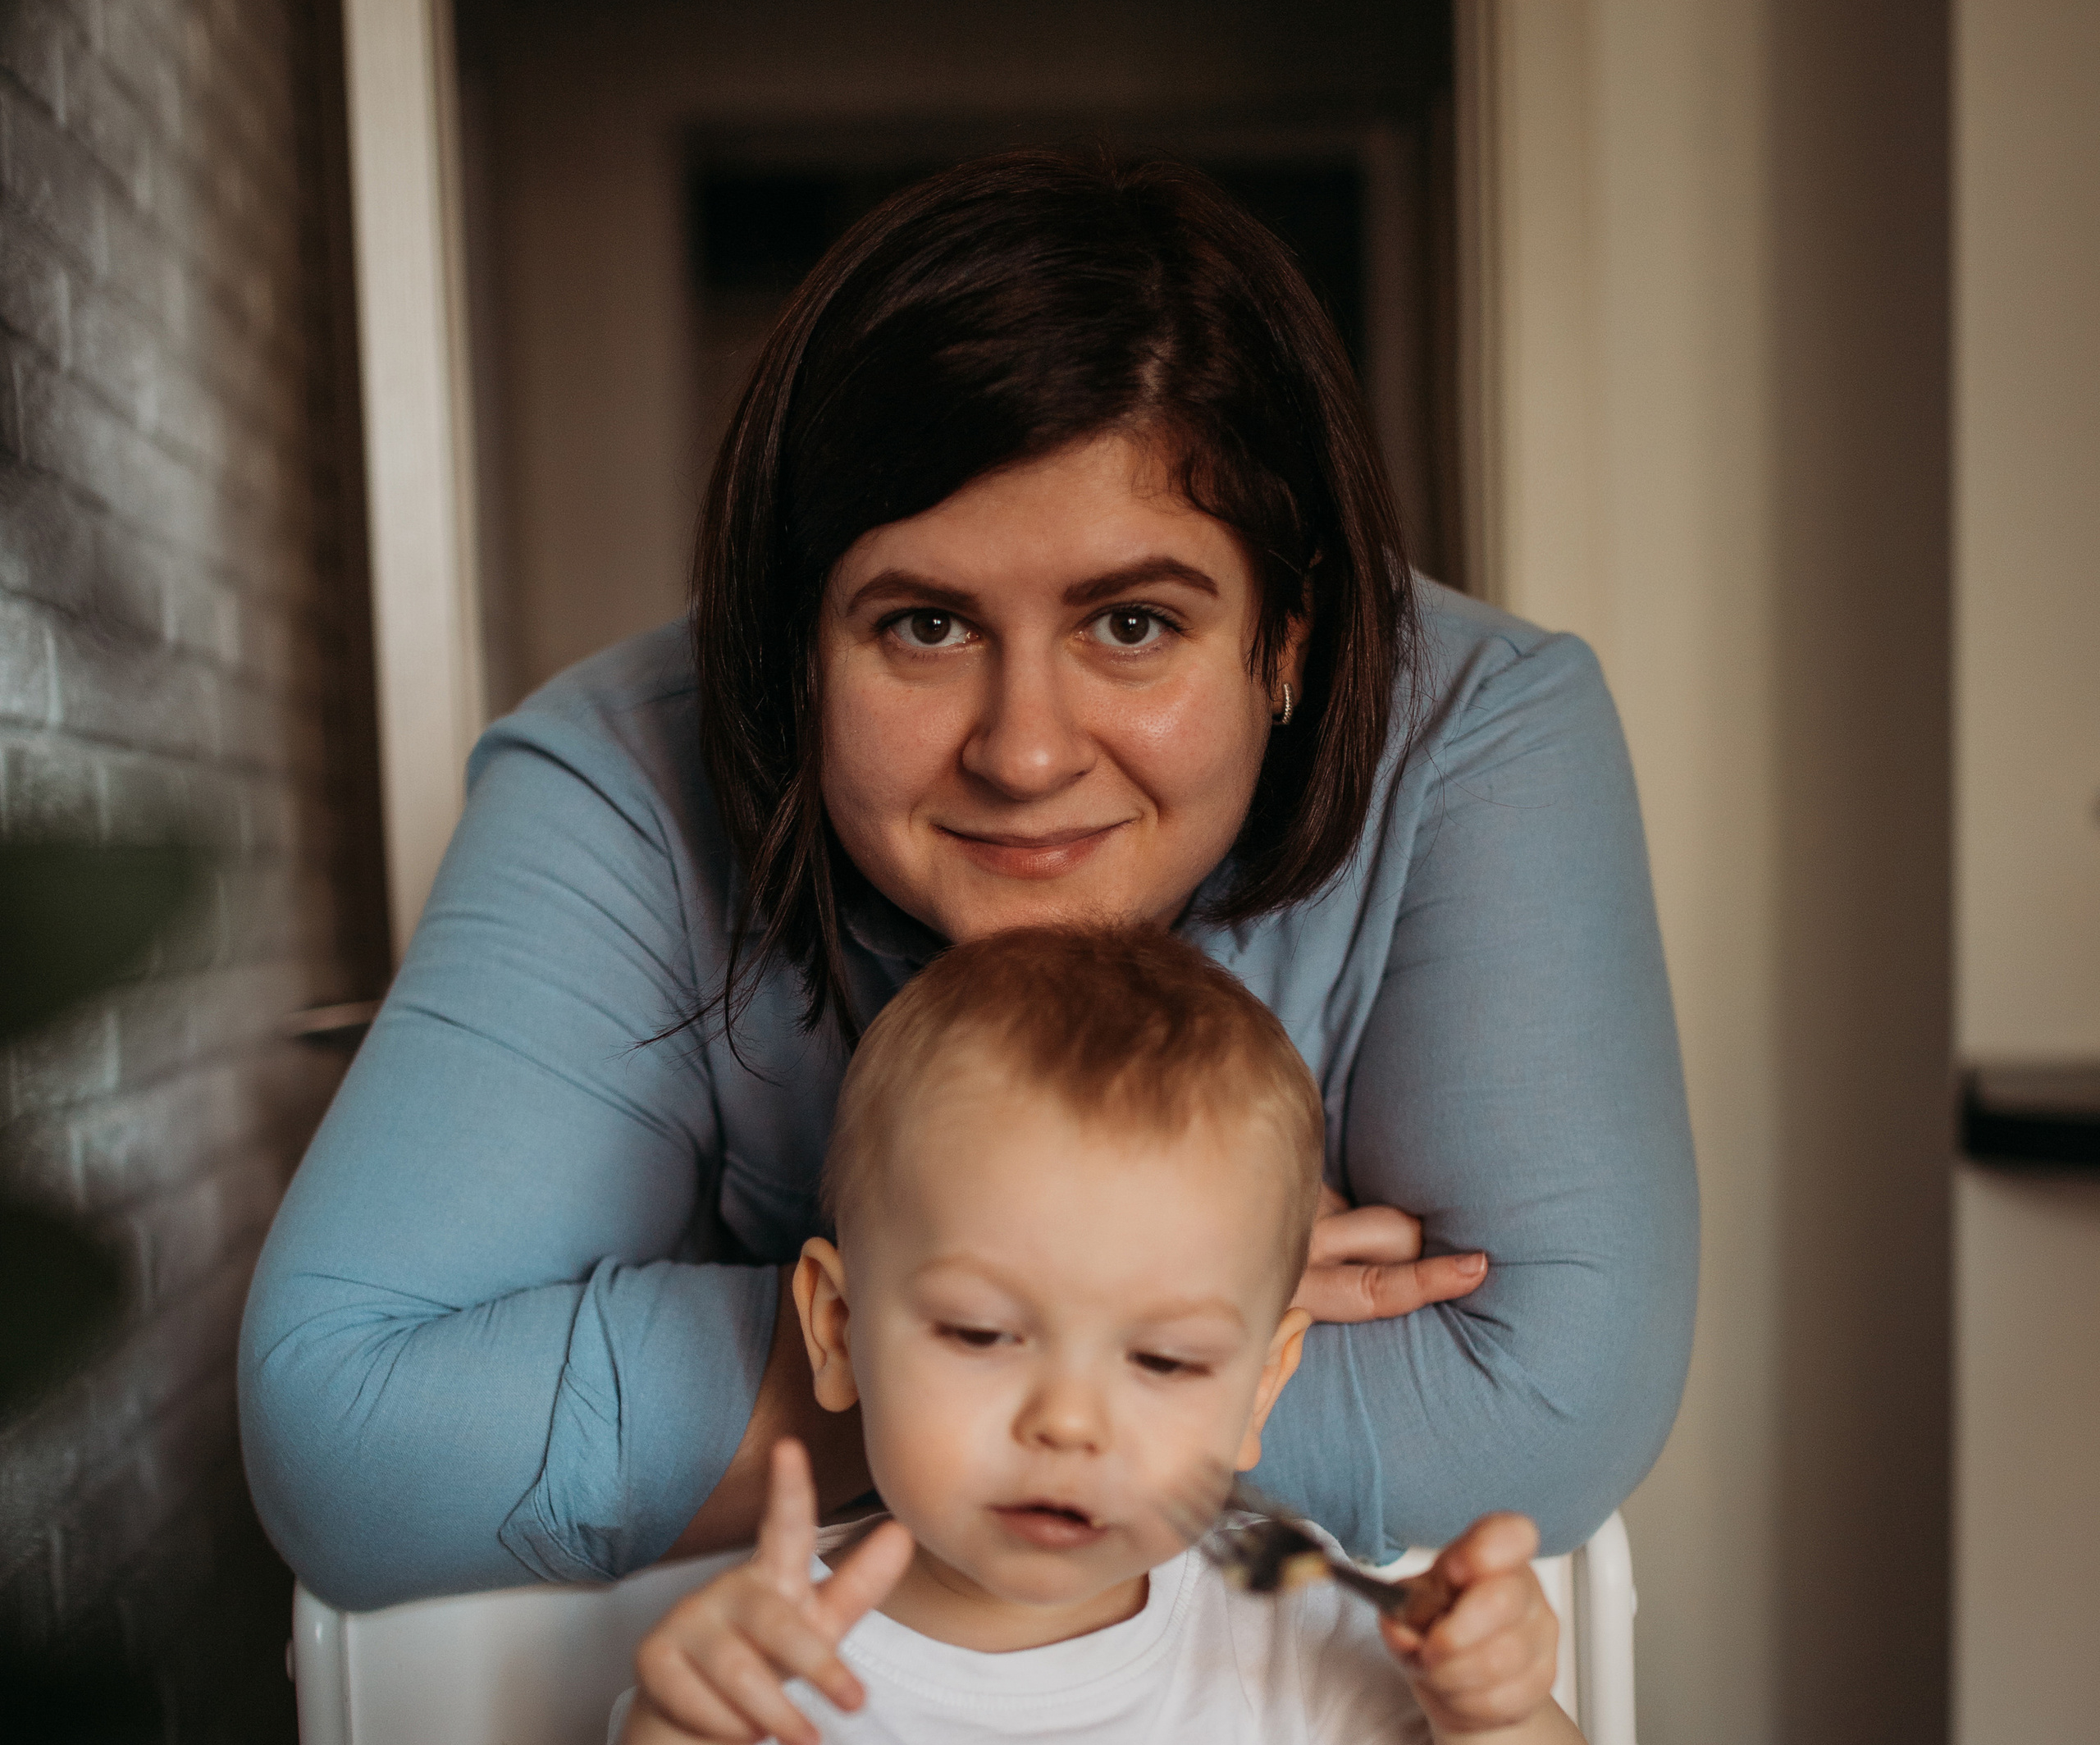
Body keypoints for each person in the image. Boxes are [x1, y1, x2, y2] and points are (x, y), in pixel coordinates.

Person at [238, 149, 1696, 1631]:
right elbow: (350, 1434)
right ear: (800, 636)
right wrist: (1153, 1319)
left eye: (1132, 623)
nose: (1025, 750)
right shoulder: (618, 771)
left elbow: (1535, 1410)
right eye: (925, 626)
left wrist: (916, 1343)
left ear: (1292, 638)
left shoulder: (1485, 727)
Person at [561, 925, 1614, 1745]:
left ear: (1260, 1387)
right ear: (839, 1330)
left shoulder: (1274, 1604)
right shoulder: (766, 1661)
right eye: (980, 1333)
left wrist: (1495, 1719)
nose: (1071, 1422)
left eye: (1163, 1361)